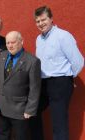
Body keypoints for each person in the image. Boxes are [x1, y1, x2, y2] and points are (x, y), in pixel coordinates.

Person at [29, 6, 84, 140]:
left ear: (51, 19)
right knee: (32, 112)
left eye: (43, 20)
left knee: (58, 122)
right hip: (43, 83)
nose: (41, 24)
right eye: (38, 21)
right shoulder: (39, 39)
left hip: (60, 83)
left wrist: (69, 78)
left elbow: (78, 61)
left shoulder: (63, 36)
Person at [0, 31, 41, 140]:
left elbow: (35, 88)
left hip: (19, 110)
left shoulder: (32, 61)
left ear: (21, 42)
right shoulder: (2, 55)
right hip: (1, 107)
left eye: (13, 42)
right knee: (1, 136)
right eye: (8, 42)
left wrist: (30, 110)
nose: (9, 45)